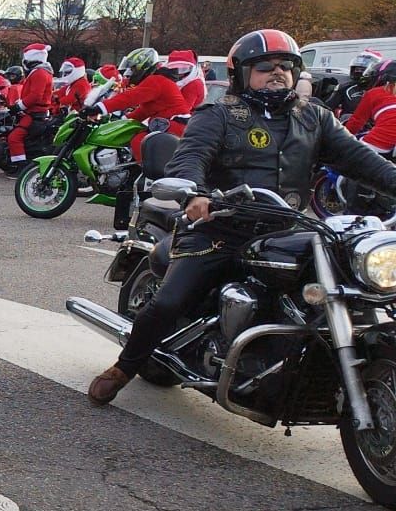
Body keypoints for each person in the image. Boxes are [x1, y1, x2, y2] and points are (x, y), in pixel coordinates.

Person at [87, 29, 396, 405]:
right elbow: (191, 156)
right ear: (241, 73)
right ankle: (124, 366)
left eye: (287, 66)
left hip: (285, 229)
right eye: (265, 66)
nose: (277, 72)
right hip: (218, 228)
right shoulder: (217, 115)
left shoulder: (316, 118)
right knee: (170, 301)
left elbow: (366, 162)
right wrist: (194, 192)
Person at [3, 44, 56, 174]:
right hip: (35, 111)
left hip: (34, 113)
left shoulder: (39, 73)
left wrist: (18, 106)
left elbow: (35, 95)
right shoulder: (42, 72)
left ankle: (21, 168)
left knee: (14, 138)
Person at [337, 51, 387, 115]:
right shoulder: (345, 88)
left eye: (361, 69)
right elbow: (328, 108)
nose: (358, 72)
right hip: (350, 122)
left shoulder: (385, 89)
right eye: (356, 69)